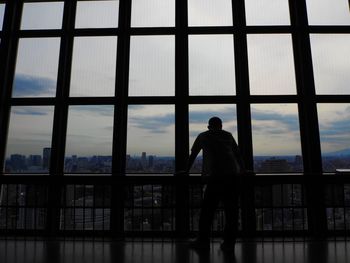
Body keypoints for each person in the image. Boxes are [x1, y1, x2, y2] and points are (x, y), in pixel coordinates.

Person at [187, 117, 245, 251]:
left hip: (214, 177)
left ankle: (203, 241)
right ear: (221, 125)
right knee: (232, 212)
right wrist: (243, 170)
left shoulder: (203, 136)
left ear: (208, 126)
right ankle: (229, 243)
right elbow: (237, 155)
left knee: (207, 211)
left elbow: (193, 155)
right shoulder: (228, 136)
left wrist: (185, 171)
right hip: (232, 177)